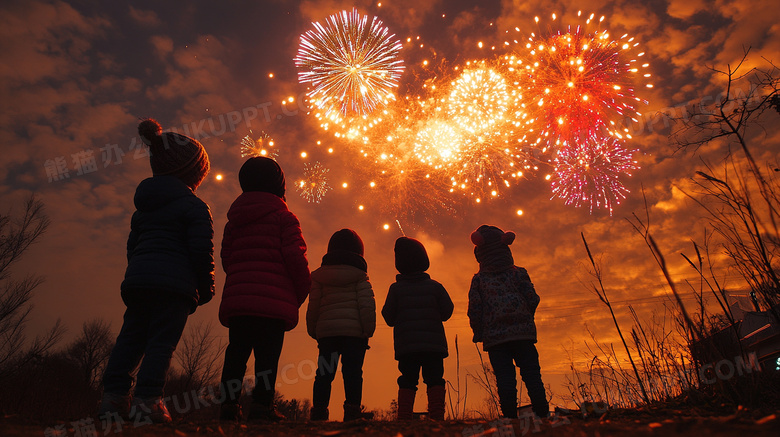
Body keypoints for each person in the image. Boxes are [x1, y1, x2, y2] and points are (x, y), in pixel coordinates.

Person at [99, 118, 215, 424]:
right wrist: (206, 285)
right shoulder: (195, 208)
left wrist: (137, 273)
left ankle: (112, 397)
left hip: (139, 283)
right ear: (193, 172)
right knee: (161, 343)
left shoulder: (143, 208)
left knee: (130, 338)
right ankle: (147, 401)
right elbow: (201, 251)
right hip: (174, 288)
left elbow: (132, 247)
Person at [217, 156, 311, 422]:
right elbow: (296, 257)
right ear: (279, 186)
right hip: (273, 303)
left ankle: (228, 405)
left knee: (236, 352)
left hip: (240, 300)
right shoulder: (285, 218)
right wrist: (300, 291)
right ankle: (262, 406)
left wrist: (243, 279)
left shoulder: (233, 222)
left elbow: (227, 259)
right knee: (267, 358)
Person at [467, 225, 548, 419]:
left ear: (480, 255)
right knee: (532, 375)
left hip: (496, 339)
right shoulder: (518, 273)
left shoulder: (479, 280)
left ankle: (510, 417)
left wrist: (478, 332)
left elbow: (475, 309)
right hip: (524, 335)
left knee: (504, 379)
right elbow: (533, 298)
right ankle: (542, 415)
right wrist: (527, 317)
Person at [306, 229, 376, 422]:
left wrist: (314, 330)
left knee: (324, 373)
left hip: (327, 334)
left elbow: (314, 305)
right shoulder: (360, 277)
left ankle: (319, 411)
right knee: (353, 372)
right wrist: (367, 330)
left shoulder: (319, 277)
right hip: (354, 335)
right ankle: (353, 411)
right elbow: (366, 305)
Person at [381, 237, 453, 421]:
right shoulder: (435, 287)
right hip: (434, 347)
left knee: (407, 380)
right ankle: (437, 417)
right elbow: (447, 311)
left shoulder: (395, 289)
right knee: (435, 379)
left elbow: (388, 317)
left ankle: (404, 417)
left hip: (407, 347)